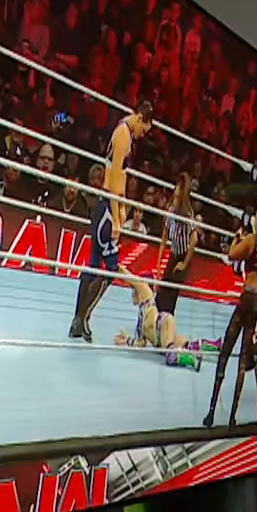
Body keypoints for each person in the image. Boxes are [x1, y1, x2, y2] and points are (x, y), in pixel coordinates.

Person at [204, 176, 257, 428]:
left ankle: (211, 413)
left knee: (226, 351)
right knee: (243, 358)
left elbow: (231, 255)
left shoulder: (252, 239)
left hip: (247, 295)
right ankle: (232, 417)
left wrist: (236, 238)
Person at [68, 102, 153, 342]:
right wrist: (116, 217)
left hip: (106, 205)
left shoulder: (123, 130)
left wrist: (122, 207)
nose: (142, 135)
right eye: (144, 129)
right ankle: (83, 317)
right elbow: (114, 177)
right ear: (140, 118)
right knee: (110, 269)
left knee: (94, 264)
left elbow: (121, 177)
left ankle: (78, 321)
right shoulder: (124, 134)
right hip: (107, 207)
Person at [154, 173, 200, 317]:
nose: (175, 197)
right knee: (161, 292)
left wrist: (184, 264)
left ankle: (167, 322)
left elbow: (194, 239)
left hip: (183, 255)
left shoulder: (187, 214)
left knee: (170, 295)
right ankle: (159, 321)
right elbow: (164, 238)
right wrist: (158, 266)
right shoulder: (171, 212)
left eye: (178, 196)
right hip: (173, 254)